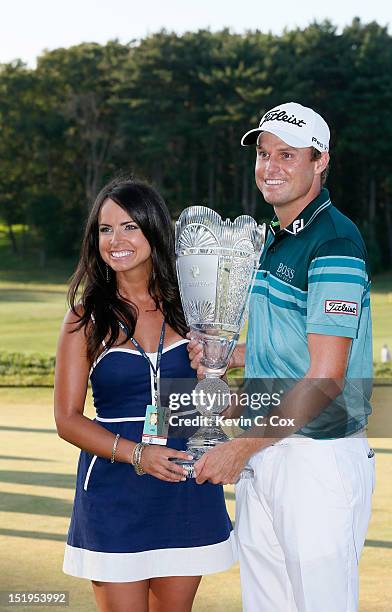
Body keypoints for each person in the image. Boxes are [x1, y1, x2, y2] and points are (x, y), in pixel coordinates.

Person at [188, 102, 375, 611]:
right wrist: (226, 354)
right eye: (264, 153)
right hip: (271, 449)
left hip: (317, 456)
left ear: (321, 162)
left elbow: (326, 377)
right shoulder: (274, 239)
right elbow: (291, 351)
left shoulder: (334, 241)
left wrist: (240, 446)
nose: (269, 166)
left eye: (287, 154)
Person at [54, 177, 235, 612]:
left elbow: (219, 407)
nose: (116, 240)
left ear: (154, 229)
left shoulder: (193, 308)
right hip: (116, 493)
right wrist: (138, 454)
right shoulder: (85, 317)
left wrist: (215, 377)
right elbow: (67, 419)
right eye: (105, 229)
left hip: (185, 489)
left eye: (130, 226)